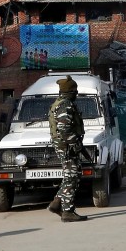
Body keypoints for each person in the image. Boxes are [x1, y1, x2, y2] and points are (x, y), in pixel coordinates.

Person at [46, 76, 87, 222]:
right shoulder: (65, 105)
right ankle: (67, 211)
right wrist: (75, 143)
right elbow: (64, 129)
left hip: (63, 145)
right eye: (75, 91)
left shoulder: (59, 103)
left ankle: (57, 203)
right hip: (66, 146)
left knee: (73, 174)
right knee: (71, 176)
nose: (77, 93)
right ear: (70, 92)